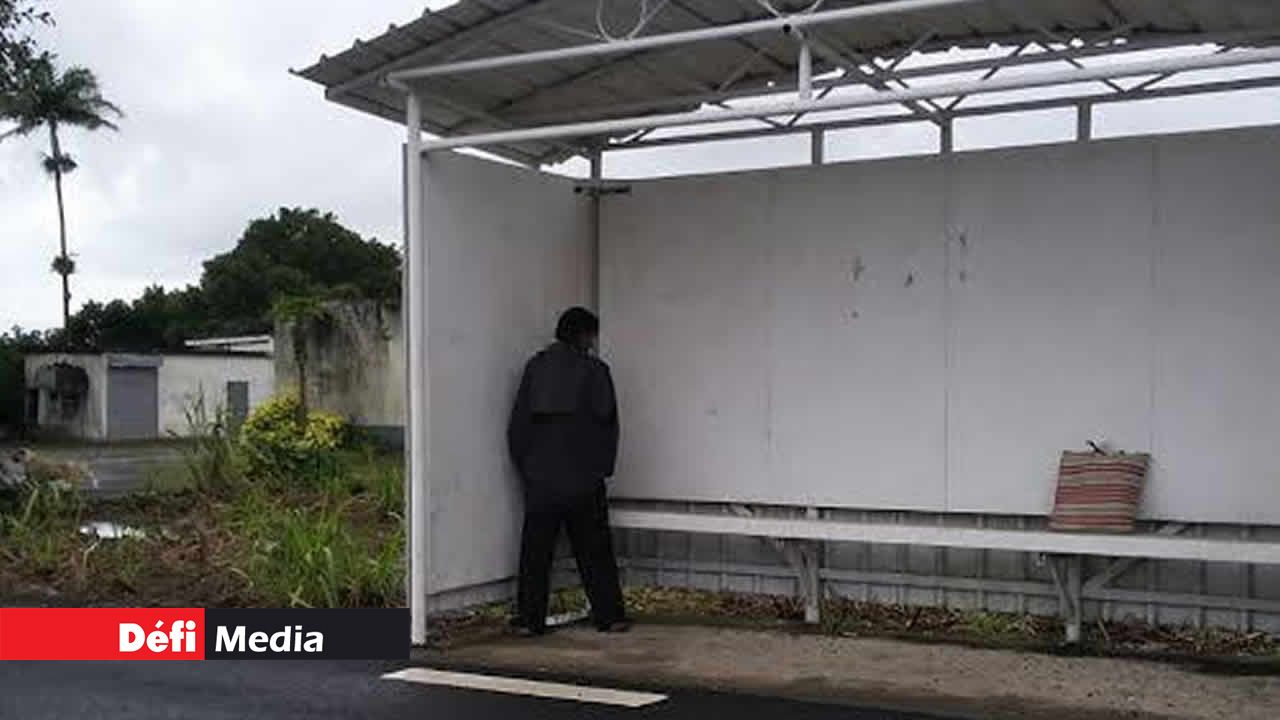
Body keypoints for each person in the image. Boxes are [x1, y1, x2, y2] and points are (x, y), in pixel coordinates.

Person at [507, 306, 630, 636]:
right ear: (585, 335)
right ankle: (610, 616)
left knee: (536, 553)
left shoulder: (536, 368)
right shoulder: (596, 371)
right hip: (584, 478)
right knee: (595, 551)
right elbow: (608, 423)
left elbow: (518, 426)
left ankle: (530, 620)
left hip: (541, 479)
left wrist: (528, 469)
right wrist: (601, 469)